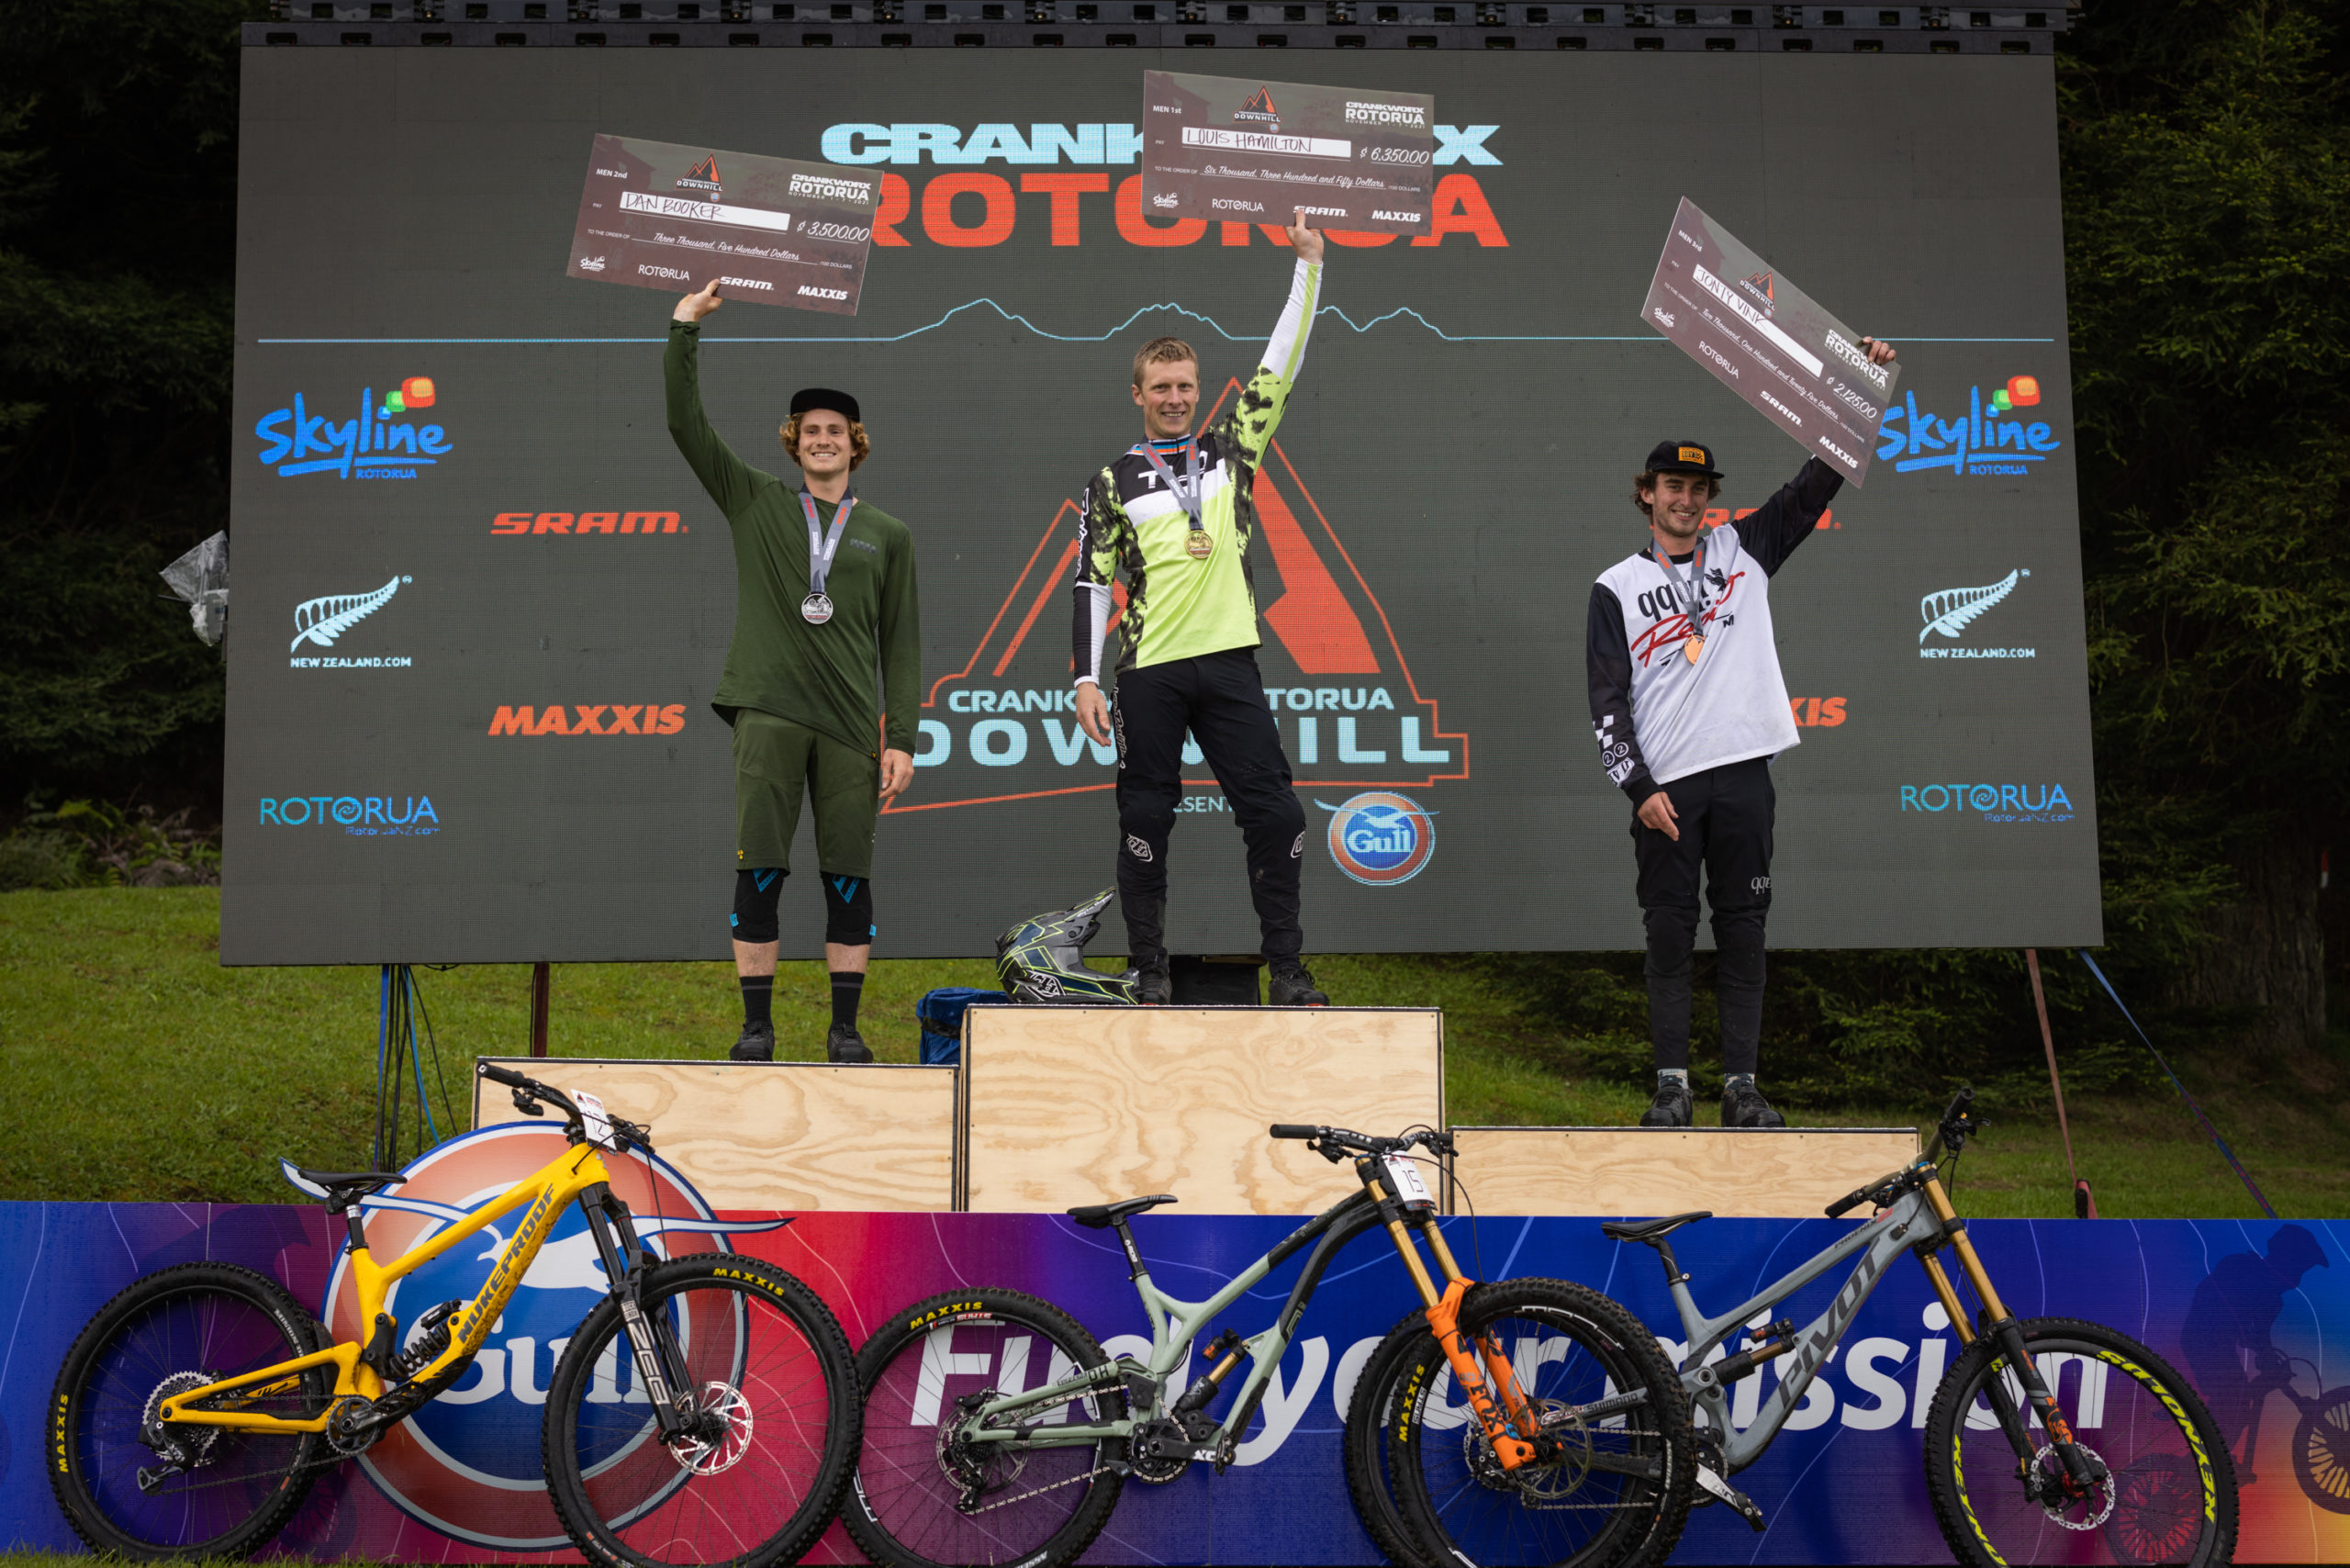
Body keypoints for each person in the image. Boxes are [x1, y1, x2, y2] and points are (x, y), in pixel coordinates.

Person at [1585, 338, 1897, 1129]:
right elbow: (1606, 704)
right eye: (1672, 486)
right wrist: (1640, 788)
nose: (1686, 499)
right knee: (1669, 934)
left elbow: (1817, 478)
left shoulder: (1745, 549)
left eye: (1698, 487)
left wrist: (1859, 386)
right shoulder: (1615, 588)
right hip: (1669, 789)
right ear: (1646, 495)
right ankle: (1670, 1086)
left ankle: (1741, 1088)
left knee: (1744, 930)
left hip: (1745, 774)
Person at [1069, 211, 1329, 1008]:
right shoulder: (1113, 480)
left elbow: (1279, 364)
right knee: (1146, 821)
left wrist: (1308, 266)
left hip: (1228, 660)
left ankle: (1286, 971)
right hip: (1148, 671)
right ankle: (1149, 970)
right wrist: (1084, 678)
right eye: (1162, 388)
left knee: (1278, 815)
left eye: (1186, 386)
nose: (1176, 398)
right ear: (1138, 395)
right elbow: (1090, 581)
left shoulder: (1231, 450)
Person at [666, 278, 920, 1063]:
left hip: (849, 726)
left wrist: (900, 737)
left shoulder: (887, 533)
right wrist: (685, 328)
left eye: (836, 431)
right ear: (792, 440)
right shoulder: (755, 502)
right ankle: (757, 1027)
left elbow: (902, 644)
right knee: (762, 869)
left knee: (849, 875)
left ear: (856, 442)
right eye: (810, 430)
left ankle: (845, 1029)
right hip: (768, 714)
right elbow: (687, 425)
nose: (822, 440)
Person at [2183, 1224, 2330, 1482]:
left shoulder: (2273, 1301)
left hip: (2221, 1346)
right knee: (2233, 1392)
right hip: (2202, 1340)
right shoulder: (2238, 1266)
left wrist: (2273, 1364)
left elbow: (2260, 1340)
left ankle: (2216, 1456)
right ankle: (2205, 1460)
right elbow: (2227, 1309)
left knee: (2240, 1403)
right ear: (2283, 1260)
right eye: (2298, 1268)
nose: (2298, 1278)